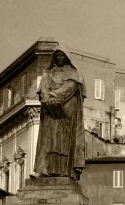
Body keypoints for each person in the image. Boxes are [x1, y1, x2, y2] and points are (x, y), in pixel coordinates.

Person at [32, 46, 86, 180]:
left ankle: (65, 172)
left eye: (62, 55)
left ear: (66, 57)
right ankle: (45, 170)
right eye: (57, 55)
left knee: (64, 142)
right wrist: (47, 97)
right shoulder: (47, 74)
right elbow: (42, 89)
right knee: (48, 140)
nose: (60, 58)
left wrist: (53, 95)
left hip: (66, 112)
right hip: (50, 110)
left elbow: (71, 87)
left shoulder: (75, 73)